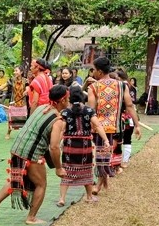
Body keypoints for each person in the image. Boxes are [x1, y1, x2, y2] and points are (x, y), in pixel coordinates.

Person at [0, 84, 69, 225]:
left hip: (17, 147)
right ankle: (31, 217)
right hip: (31, 153)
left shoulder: (41, 108)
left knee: (16, 178)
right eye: (67, 98)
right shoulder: (58, 121)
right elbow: (54, 147)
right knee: (41, 184)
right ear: (63, 100)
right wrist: (58, 168)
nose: (69, 100)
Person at [87, 57, 140, 195]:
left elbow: (91, 109)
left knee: (101, 155)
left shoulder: (93, 87)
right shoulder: (122, 85)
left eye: (94, 70)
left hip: (99, 127)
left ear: (99, 71)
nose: (93, 73)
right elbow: (129, 105)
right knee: (103, 155)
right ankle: (103, 181)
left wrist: (91, 125)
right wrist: (137, 124)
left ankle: (100, 184)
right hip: (115, 126)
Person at [57, 85, 109, 206]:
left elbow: (61, 130)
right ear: (82, 96)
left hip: (69, 147)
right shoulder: (89, 111)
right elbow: (97, 126)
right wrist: (105, 140)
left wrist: (56, 144)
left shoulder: (65, 112)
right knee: (86, 171)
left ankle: (62, 199)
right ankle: (89, 197)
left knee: (66, 172)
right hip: (84, 147)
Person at [0, 66, 28, 140]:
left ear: (21, 72)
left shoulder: (26, 81)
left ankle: (23, 135)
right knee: (11, 119)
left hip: (22, 103)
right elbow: (3, 86)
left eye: (16, 71)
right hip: (13, 103)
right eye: (14, 71)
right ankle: (8, 133)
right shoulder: (12, 80)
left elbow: (28, 88)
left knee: (23, 120)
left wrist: (27, 91)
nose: (14, 72)